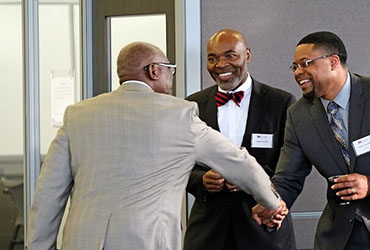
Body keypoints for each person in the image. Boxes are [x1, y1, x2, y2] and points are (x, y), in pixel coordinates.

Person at [26, 41, 284, 250]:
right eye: (170, 69)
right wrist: (271, 203)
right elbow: (240, 163)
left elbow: (49, 192)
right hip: (148, 241)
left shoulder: (78, 115)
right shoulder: (179, 114)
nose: (171, 78)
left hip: (82, 241)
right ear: (154, 70)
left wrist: (37, 246)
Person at [253, 31, 370, 250]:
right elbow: (288, 177)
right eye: (294, 66)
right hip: (343, 234)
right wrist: (272, 203)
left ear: (333, 62)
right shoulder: (297, 115)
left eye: (305, 64)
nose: (298, 73)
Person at [183, 29, 297, 250]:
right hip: (208, 233)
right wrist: (201, 180)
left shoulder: (280, 102)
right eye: (212, 58)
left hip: (263, 229)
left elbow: (291, 164)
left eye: (230, 55)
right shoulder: (192, 105)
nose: (220, 64)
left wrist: (250, 178)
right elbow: (179, 162)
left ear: (248, 55)